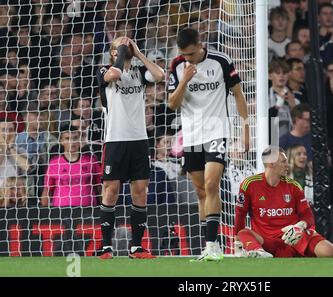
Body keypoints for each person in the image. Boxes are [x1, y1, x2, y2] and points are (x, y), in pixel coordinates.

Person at [167, 28, 249, 261]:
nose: (188, 59)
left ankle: (214, 245)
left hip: (217, 131)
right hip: (191, 136)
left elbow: (238, 94)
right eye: (184, 55)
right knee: (201, 191)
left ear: (200, 44)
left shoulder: (220, 61)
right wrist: (184, 80)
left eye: (191, 54)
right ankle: (209, 245)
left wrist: (245, 131)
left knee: (212, 184)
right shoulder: (177, 65)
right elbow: (172, 104)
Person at [96, 36, 165, 259]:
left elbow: (160, 75)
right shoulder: (104, 70)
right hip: (115, 139)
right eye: (121, 46)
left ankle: (137, 247)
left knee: (140, 192)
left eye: (128, 44)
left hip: (138, 139)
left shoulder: (138, 71)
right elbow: (114, 75)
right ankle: (106, 247)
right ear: (113, 53)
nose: (126, 47)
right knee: (111, 191)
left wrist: (139, 54)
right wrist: (122, 50)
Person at [234, 146, 333, 258]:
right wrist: (237, 239)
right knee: (243, 233)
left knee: (327, 251)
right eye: (283, 162)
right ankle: (258, 252)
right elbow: (240, 214)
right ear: (270, 164)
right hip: (266, 240)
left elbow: (308, 215)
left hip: (294, 236)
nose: (287, 165)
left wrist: (300, 226)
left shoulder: (294, 186)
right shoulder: (249, 185)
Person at [40, 125, 101, 207]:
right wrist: (45, 214)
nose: (72, 142)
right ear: (61, 141)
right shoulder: (54, 163)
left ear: (79, 139)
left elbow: (99, 187)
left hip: (88, 212)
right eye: (67, 139)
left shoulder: (91, 161)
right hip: (61, 213)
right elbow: (47, 190)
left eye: (75, 138)